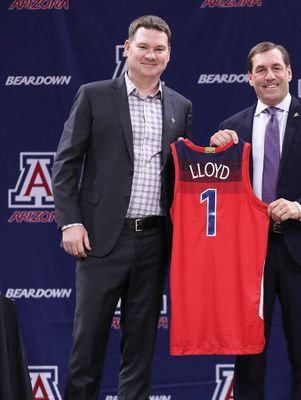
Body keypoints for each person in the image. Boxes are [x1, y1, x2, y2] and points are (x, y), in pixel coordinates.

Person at [52, 15, 192, 400]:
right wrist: (70, 223)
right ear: (127, 48)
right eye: (143, 46)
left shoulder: (181, 106)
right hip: (99, 239)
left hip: (154, 242)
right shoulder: (94, 95)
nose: (151, 54)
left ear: (169, 55)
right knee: (88, 342)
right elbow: (65, 163)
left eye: (159, 49)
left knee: (140, 344)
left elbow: (186, 173)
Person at [210, 42, 301, 399]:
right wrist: (215, 153)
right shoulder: (232, 127)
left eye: (276, 68)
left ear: (289, 72)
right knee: (248, 356)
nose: (269, 76)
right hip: (248, 257)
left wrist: (300, 206)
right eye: (260, 69)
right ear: (249, 78)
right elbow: (218, 197)